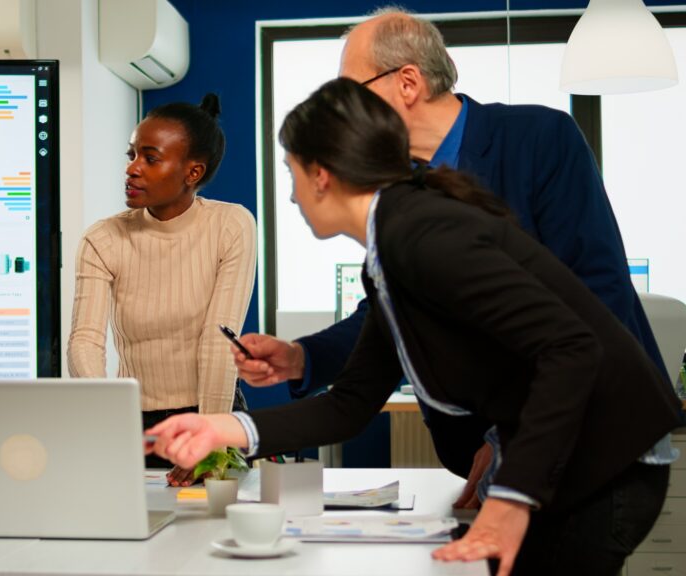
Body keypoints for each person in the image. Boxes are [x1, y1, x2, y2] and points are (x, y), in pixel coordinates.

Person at [148, 77, 681, 576]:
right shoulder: (389, 250)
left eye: (291, 173)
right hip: (575, 458)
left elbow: (571, 348)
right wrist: (228, 430)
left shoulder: (421, 232)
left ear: (322, 174)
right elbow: (351, 403)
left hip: (607, 462)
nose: (290, 196)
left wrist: (514, 498)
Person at [233, 9, 668, 503]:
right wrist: (302, 357)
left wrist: (511, 439)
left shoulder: (539, 139)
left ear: (408, 83)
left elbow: (597, 295)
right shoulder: (402, 194)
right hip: (499, 462)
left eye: (352, 90)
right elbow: (392, 317)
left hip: (590, 437)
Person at [67, 94, 256, 486]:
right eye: (132, 154)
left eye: (150, 158)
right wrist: (109, 416)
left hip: (212, 414)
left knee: (211, 535)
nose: (132, 169)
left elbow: (218, 339)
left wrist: (210, 439)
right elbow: (85, 341)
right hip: (134, 425)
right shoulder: (103, 238)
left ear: (193, 172)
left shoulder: (231, 225)